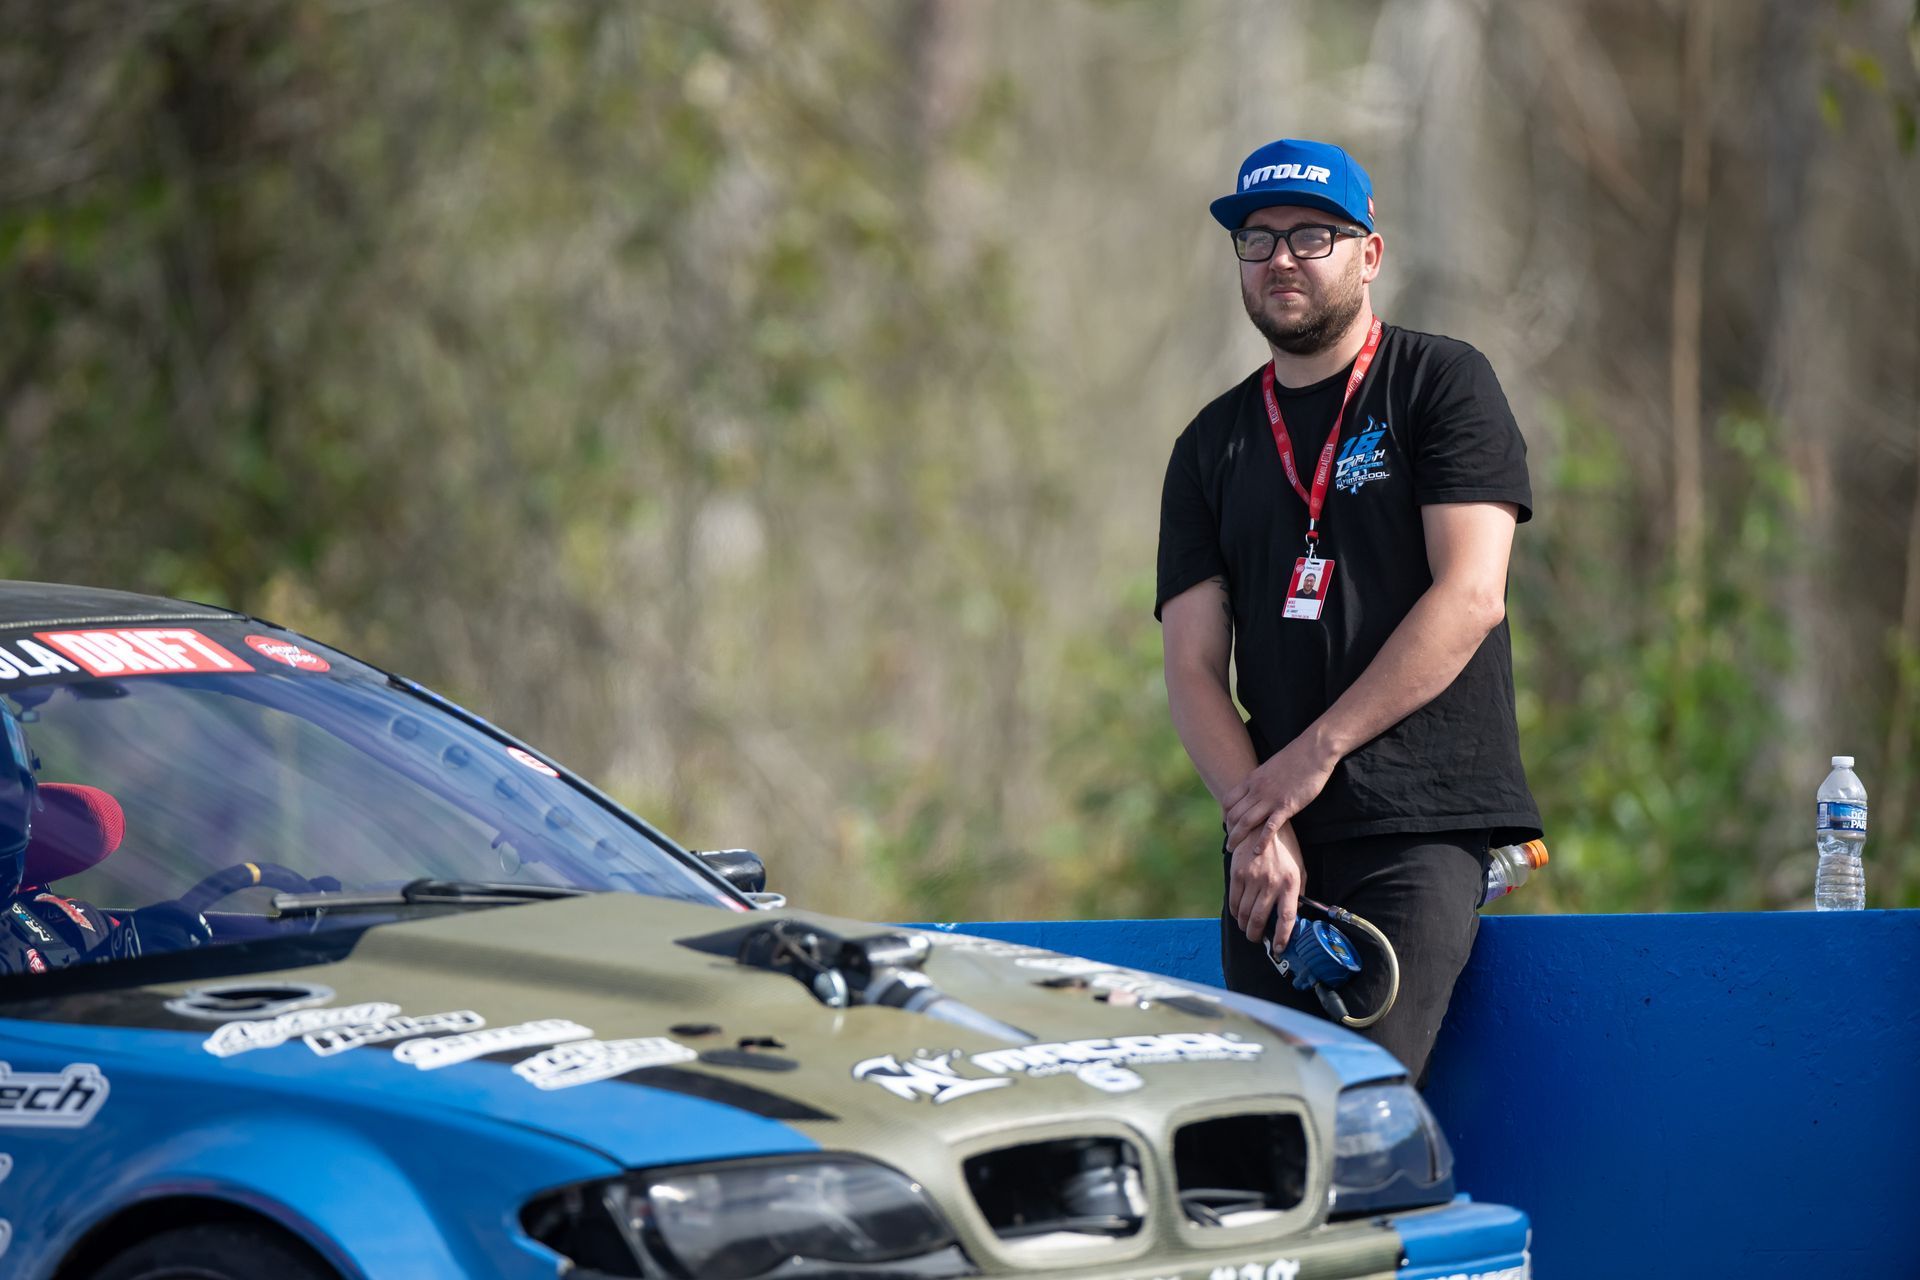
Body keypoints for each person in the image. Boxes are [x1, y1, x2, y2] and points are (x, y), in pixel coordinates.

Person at [1155, 138, 1541, 1085]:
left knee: (1356, 1108)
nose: (1281, 257)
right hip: (1272, 853)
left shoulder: (1441, 384)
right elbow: (1193, 667)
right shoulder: (1211, 446)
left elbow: (1472, 595)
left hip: (1417, 823)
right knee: (1258, 1129)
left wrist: (1309, 761)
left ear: (1369, 254)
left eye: (1312, 235)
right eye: (1258, 239)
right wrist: (1259, 823)